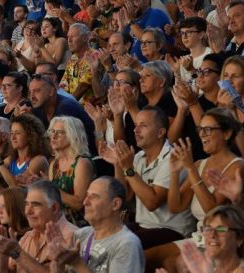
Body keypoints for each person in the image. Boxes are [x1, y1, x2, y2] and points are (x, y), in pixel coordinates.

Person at [145, 108, 244, 272]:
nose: (202, 135)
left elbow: (212, 211)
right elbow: (176, 206)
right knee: (144, 256)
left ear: (226, 134)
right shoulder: (200, 164)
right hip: (199, 236)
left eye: (208, 130)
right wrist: (175, 172)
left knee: (173, 263)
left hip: (219, 238)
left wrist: (190, 169)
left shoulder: (237, 167)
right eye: (200, 129)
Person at [100, 106, 195, 249]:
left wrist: (128, 168)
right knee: (103, 235)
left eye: (143, 126)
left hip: (171, 230)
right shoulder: (138, 157)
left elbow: (152, 202)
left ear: (160, 132)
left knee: (124, 245)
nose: (135, 130)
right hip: (144, 226)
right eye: (136, 125)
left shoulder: (173, 158)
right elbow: (125, 197)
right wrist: (118, 165)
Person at [48, 176, 145, 273]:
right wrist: (58, 261)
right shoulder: (81, 235)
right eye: (86, 196)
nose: (85, 202)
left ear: (115, 204)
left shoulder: (127, 244)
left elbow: (77, 264)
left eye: (94, 197)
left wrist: (77, 263)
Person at [0, 180, 78, 273]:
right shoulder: (28, 237)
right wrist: (0, 256)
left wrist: (17, 253)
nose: (28, 211)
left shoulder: (73, 237)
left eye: (35, 205)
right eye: (27, 204)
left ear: (54, 208)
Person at [29, 74, 96, 155]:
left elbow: (58, 145)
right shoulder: (38, 107)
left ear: (51, 91)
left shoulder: (66, 108)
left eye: (37, 91)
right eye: (30, 92)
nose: (32, 96)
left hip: (83, 157)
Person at [47, 116, 94, 224]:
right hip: (57, 221)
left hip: (79, 223)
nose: (53, 136)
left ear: (73, 136)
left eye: (60, 132)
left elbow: (78, 203)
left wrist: (51, 188)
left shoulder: (82, 163)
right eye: (52, 131)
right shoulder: (54, 164)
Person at [174, 205, 244, 273]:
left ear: (239, 238)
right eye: (208, 229)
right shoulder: (207, 269)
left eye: (221, 229)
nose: (212, 235)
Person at [0, 114, 50, 187]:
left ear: (30, 136)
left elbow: (16, 186)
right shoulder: (11, 159)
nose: (13, 137)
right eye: (11, 133)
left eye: (17, 133)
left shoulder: (39, 160)